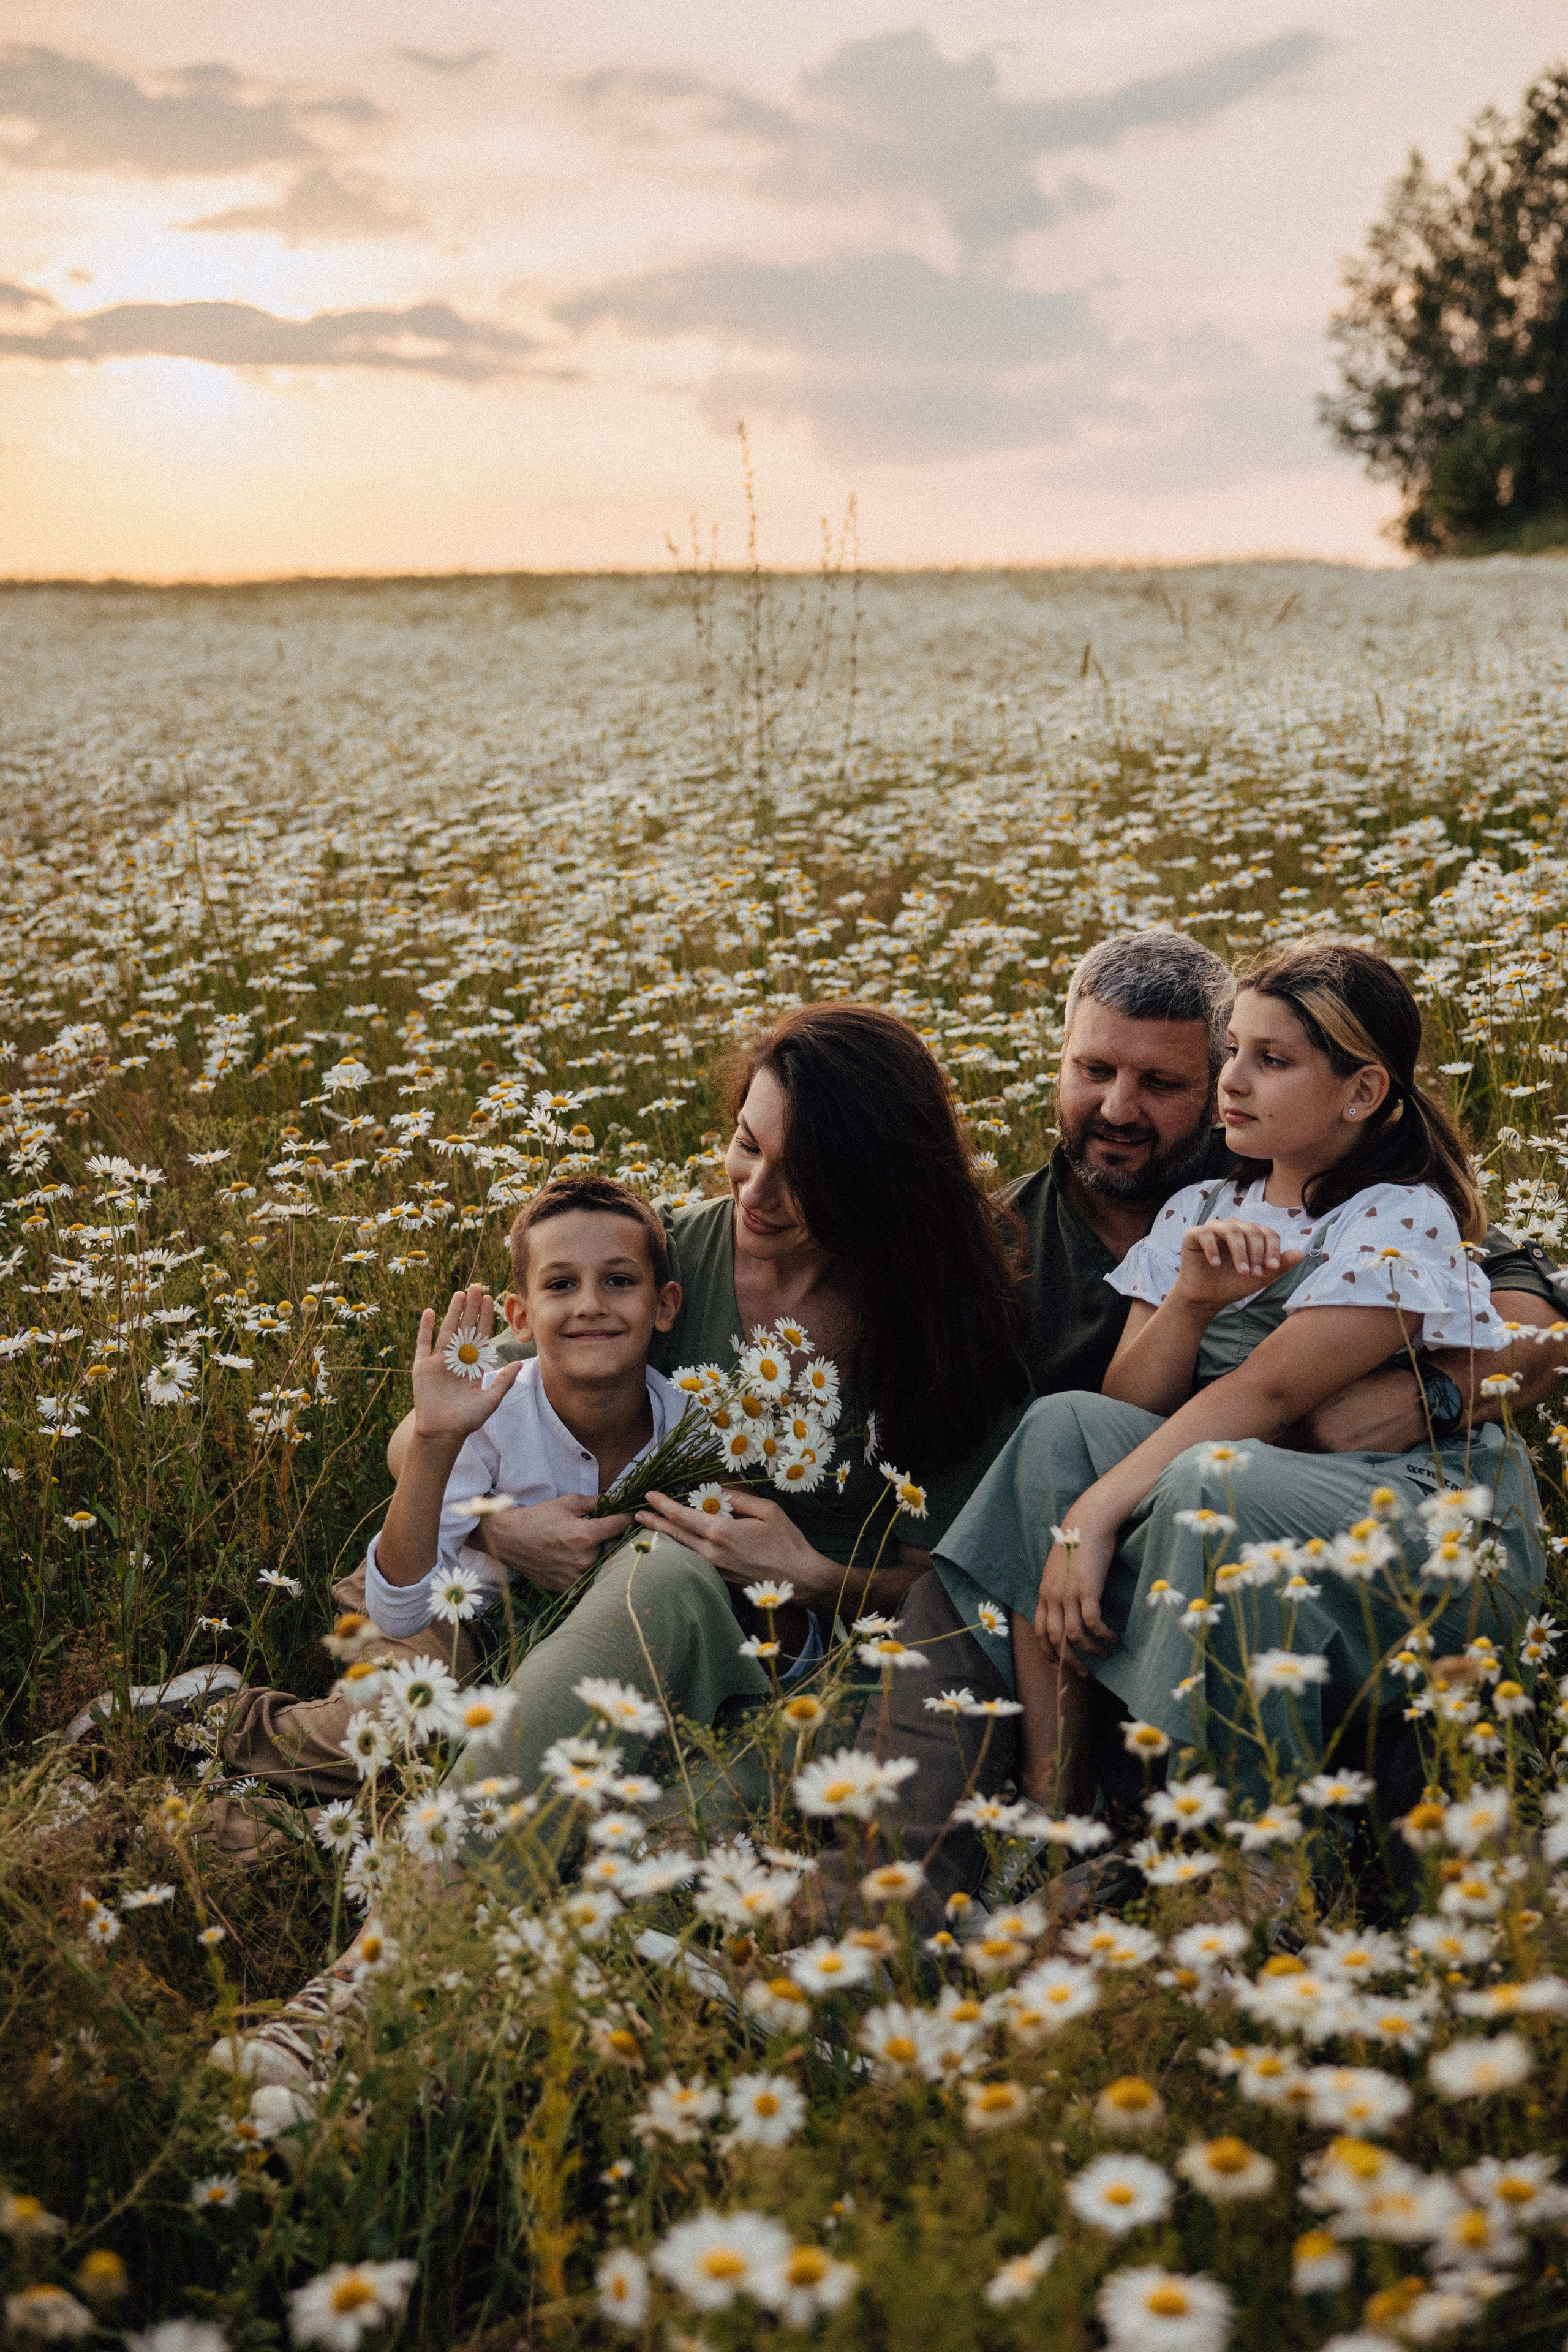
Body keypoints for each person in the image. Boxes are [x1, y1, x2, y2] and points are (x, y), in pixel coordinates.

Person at [938, 940, 1554, 1815]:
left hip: (1429, 1519)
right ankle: (1058, 1814)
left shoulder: (1397, 1214)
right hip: (1255, 1483)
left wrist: (1095, 1512)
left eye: (1272, 1061)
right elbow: (1124, 1407)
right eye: (1234, 1053)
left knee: (1209, 1477)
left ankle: (1251, 1842)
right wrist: (1191, 1300)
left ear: (1362, 1093)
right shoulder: (1201, 1207)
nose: (1234, 1080)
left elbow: (1269, 1394)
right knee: (1059, 1425)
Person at [197, 1178, 684, 1819]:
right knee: (395, 1731)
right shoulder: (489, 1412)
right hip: (432, 1599)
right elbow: (396, 1607)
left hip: (553, 1643)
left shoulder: (691, 1427)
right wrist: (434, 1436)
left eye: (619, 1281)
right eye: (561, 1285)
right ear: (520, 1317)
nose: (590, 1304)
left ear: (664, 1305)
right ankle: (213, 1721)